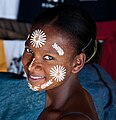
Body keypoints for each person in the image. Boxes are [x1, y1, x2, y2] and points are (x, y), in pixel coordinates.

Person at [22, 4, 98, 120]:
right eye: (29, 50)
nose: (32, 67)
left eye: (48, 57)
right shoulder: (65, 101)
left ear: (77, 63)